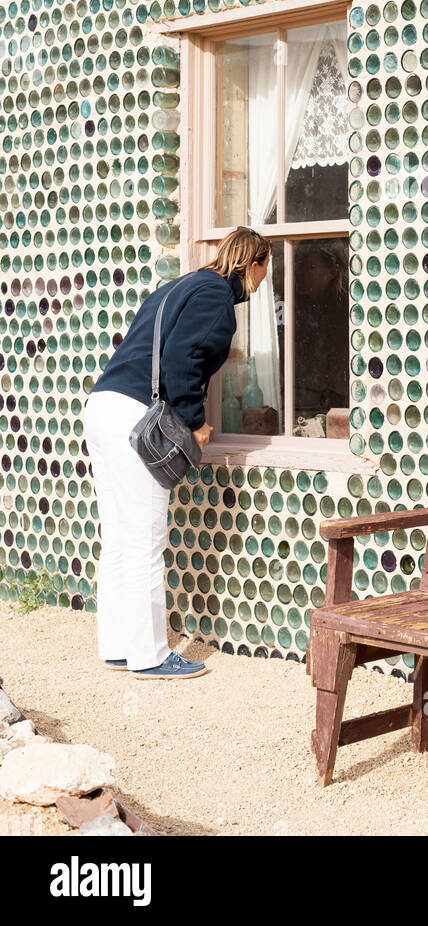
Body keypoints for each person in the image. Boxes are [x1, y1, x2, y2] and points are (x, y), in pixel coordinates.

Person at [83, 228, 271, 680]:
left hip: (103, 405)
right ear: (253, 263)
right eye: (267, 268)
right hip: (136, 416)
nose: (266, 279)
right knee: (147, 540)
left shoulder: (178, 286)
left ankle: (117, 646)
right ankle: (149, 656)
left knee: (119, 538)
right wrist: (195, 421)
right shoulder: (215, 297)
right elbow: (181, 361)